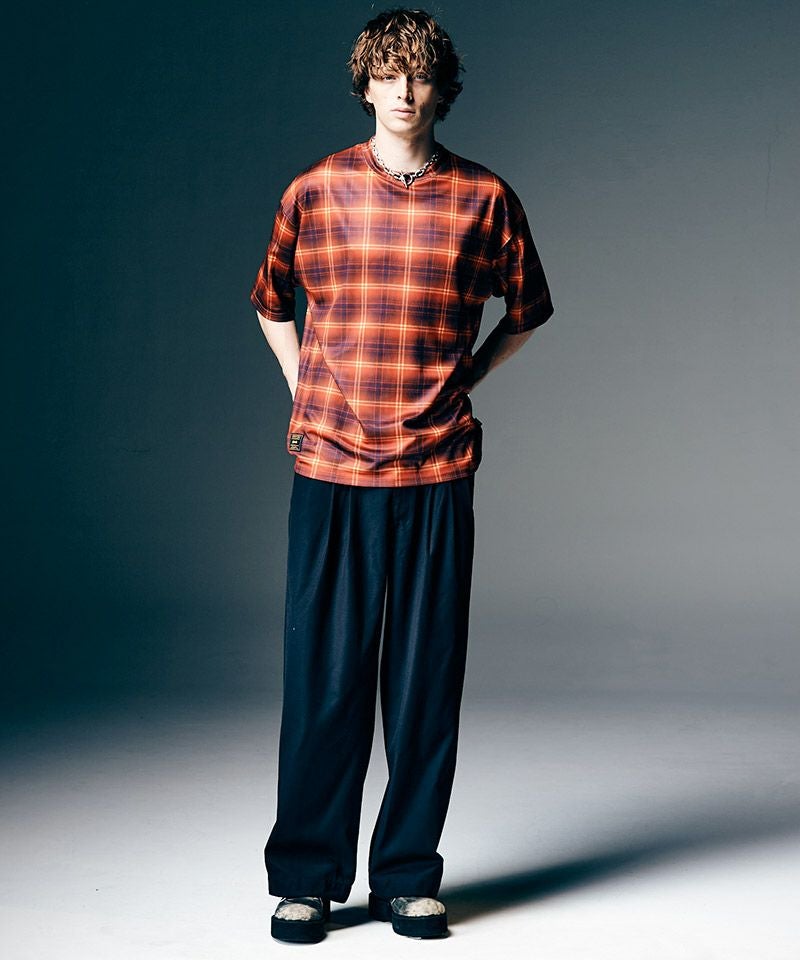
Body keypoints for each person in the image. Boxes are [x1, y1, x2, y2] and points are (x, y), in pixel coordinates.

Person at [249, 7, 554, 944]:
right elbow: (270, 301)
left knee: (424, 684)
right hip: (331, 466)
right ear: (366, 84)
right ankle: (307, 879)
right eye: (389, 74)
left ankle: (409, 876)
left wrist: (464, 379)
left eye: (419, 75)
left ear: (441, 87)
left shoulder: (485, 198)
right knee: (325, 680)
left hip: (435, 468)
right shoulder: (316, 189)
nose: (405, 92)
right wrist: (305, 387)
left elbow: (528, 310)